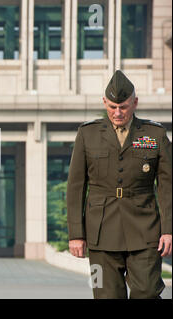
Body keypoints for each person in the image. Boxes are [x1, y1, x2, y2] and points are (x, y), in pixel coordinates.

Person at [67, 70, 172, 299]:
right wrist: (76, 234)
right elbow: (76, 187)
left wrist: (169, 230)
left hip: (145, 229)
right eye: (112, 106)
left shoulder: (155, 134)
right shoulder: (87, 134)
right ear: (104, 102)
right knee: (105, 295)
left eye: (123, 106)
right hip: (100, 231)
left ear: (135, 103)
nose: (117, 113)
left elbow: (167, 186)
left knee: (147, 291)